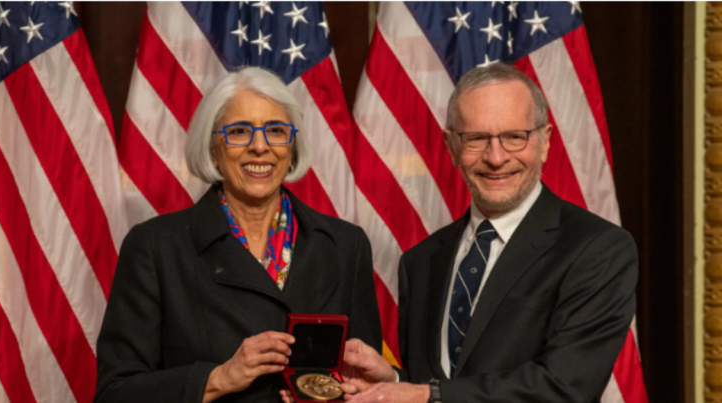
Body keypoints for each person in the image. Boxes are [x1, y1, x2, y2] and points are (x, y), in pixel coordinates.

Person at [335, 63, 638, 403]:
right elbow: (443, 384)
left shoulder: (597, 249)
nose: (496, 158)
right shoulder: (420, 263)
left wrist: (423, 395)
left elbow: (565, 387)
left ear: (544, 142)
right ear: (451, 146)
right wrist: (391, 381)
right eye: (476, 138)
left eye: (513, 137)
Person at [94, 67, 382, 403]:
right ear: (213, 148)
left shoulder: (346, 246)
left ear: (291, 147)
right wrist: (217, 379)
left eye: (276, 131)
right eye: (240, 131)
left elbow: (366, 384)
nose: (260, 147)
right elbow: (116, 393)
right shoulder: (156, 248)